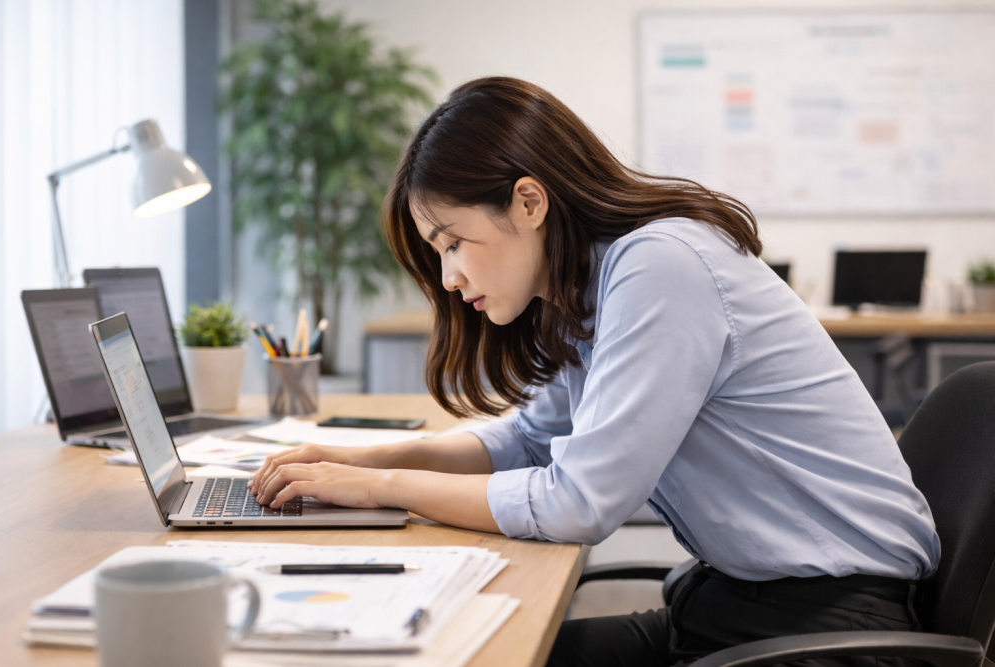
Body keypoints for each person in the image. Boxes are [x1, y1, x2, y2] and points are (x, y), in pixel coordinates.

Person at [248, 76, 940, 667]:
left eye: (454, 242)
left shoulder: (659, 265)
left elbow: (578, 502)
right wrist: (351, 462)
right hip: (735, 606)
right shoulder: (589, 287)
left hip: (831, 633)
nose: (450, 277)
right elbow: (527, 442)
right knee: (477, 648)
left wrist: (378, 487)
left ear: (529, 201)